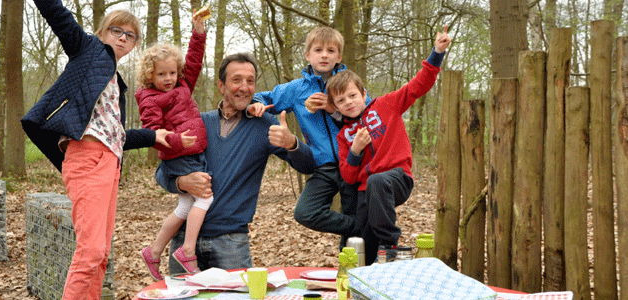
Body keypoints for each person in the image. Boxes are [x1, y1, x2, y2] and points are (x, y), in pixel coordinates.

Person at [20, 0, 173, 298]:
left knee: (101, 253)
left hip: (109, 162)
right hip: (86, 158)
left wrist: (154, 137)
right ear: (101, 33)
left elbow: (115, 136)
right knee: (89, 251)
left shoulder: (116, 82)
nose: (123, 38)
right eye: (117, 31)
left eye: (131, 35)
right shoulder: (88, 51)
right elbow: (58, 15)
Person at [155, 53, 318, 274]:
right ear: (221, 86)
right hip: (184, 241)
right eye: (237, 80)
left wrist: (291, 143)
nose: (244, 87)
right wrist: (182, 182)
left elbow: (308, 166)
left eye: (250, 81)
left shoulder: (264, 125)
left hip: (231, 243)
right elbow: (162, 172)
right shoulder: (198, 121)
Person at [327, 27, 452, 264]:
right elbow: (348, 176)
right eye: (341, 101)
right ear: (335, 106)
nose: (348, 103)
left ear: (364, 94)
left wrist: (437, 52)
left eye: (352, 96)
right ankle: (374, 267)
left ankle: (390, 243)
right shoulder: (344, 135)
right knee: (363, 232)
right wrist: (354, 151)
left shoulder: (386, 105)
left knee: (377, 181)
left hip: (397, 178)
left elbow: (419, 85)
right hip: (367, 190)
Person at [247, 27, 364, 247]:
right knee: (305, 212)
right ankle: (357, 226)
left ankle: (350, 269)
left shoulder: (349, 84)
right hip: (323, 165)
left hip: (353, 162)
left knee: (352, 242)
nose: (324, 55)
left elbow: (365, 112)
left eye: (331, 51)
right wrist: (257, 105)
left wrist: (333, 109)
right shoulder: (296, 89)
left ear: (339, 56)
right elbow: (264, 96)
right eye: (318, 50)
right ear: (308, 55)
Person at [136, 13, 210, 279]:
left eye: (172, 72)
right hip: (180, 155)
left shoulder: (183, 85)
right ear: (150, 75)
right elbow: (152, 134)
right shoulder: (150, 99)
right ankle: (187, 249)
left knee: (184, 206)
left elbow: (194, 61)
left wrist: (198, 32)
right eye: (161, 74)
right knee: (205, 196)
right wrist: (178, 140)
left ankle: (154, 251)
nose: (168, 78)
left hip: (192, 152)